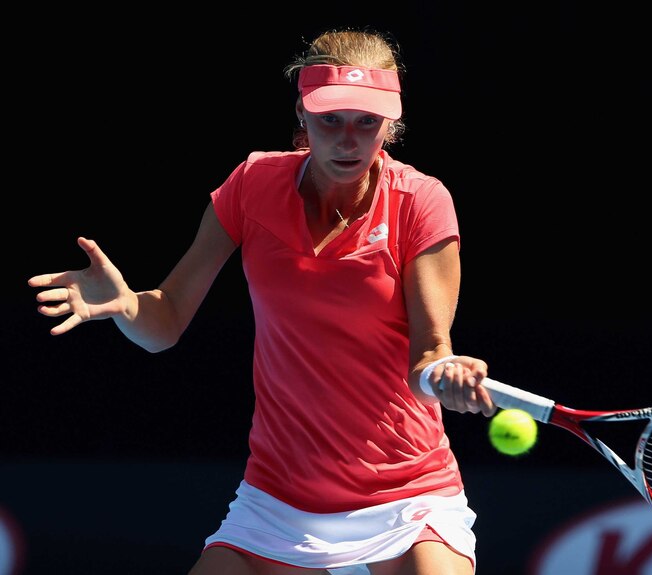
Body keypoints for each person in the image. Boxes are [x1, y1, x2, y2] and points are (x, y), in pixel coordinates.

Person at [28, 28, 497, 575]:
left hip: (407, 492)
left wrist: (447, 373)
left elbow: (428, 355)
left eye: (367, 122)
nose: (349, 139)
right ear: (302, 114)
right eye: (330, 119)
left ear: (390, 123)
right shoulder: (252, 185)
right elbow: (166, 321)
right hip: (280, 497)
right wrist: (129, 307)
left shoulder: (421, 201)